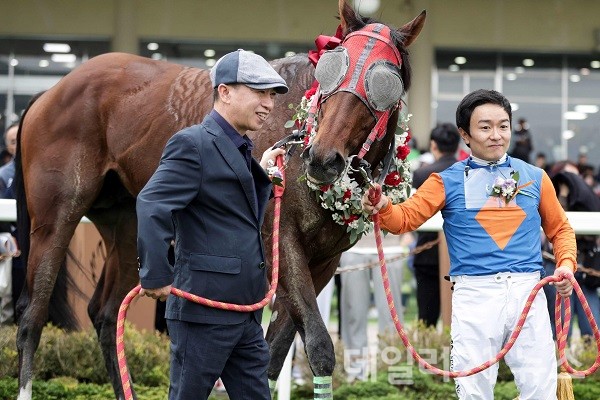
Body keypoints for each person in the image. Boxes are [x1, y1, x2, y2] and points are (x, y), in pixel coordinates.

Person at [362, 89, 576, 399]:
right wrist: (382, 205)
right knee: (474, 393)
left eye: (503, 126)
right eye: (485, 127)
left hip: (528, 292)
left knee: (540, 392)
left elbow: (561, 230)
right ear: (465, 133)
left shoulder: (535, 177)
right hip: (474, 295)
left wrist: (566, 265)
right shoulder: (443, 181)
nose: (496, 135)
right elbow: (402, 220)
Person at [136, 49, 288, 400]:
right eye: (259, 92)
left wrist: (260, 172)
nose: (268, 103)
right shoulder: (191, 144)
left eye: (271, 95)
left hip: (246, 312)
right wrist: (156, 274)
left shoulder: (240, 147)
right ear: (225, 92)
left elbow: (233, 213)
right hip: (203, 312)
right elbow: (151, 203)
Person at [339, 232, 410, 382]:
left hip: (391, 246)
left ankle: (390, 369)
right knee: (353, 312)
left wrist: (406, 236)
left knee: (391, 315)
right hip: (353, 246)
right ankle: (355, 371)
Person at [543, 162, 600, 341]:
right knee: (560, 326)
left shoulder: (588, 201)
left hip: (584, 267)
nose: (572, 180)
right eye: (567, 176)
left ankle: (590, 361)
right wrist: (563, 194)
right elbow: (558, 225)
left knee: (590, 323)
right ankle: (560, 360)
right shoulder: (549, 198)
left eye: (576, 176)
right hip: (557, 265)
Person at [411, 122, 460, 327]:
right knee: (461, 320)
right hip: (462, 256)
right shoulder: (467, 173)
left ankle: (428, 355)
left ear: (433, 145)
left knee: (427, 319)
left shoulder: (423, 174)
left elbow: (414, 214)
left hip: (428, 253)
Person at [0, 122, 21, 326]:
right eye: (13, 141)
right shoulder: (3, 175)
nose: (18, 144)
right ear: (9, 147)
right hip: (11, 248)